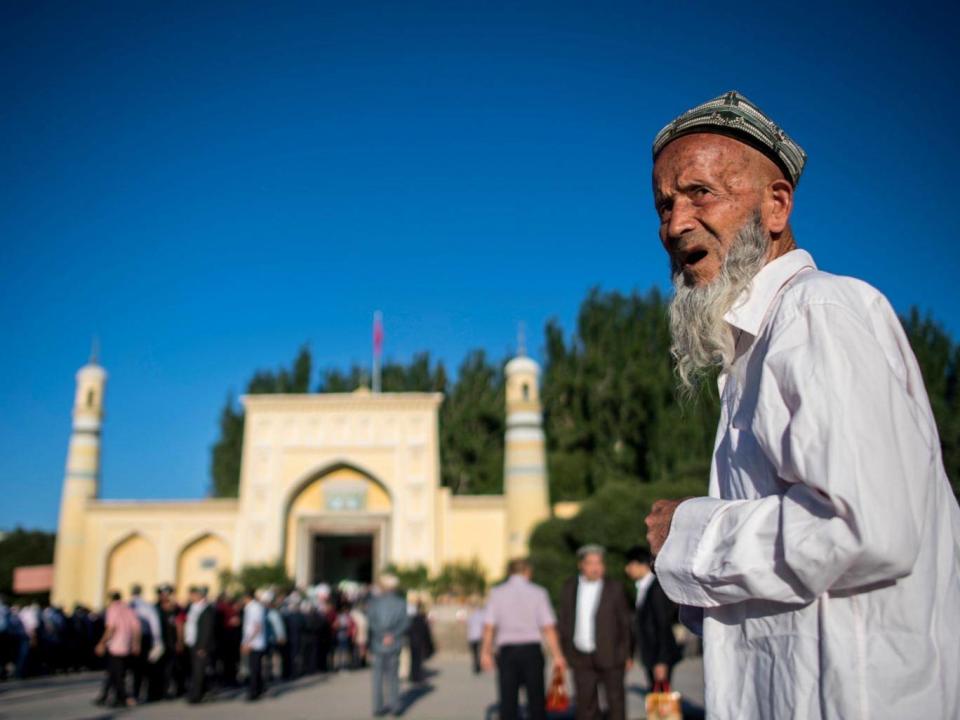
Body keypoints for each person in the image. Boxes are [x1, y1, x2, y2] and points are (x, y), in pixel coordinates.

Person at [642, 90, 960, 719]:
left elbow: (861, 526)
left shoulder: (819, 313)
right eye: (664, 205)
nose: (675, 225)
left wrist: (690, 533)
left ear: (776, 203)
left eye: (700, 193)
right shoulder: (752, 358)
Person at [481, 558, 566, 720]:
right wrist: (557, 655)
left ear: (509, 573)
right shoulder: (539, 592)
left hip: (507, 652)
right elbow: (548, 627)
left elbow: (489, 626)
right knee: (536, 700)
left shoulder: (497, 593)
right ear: (528, 572)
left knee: (507, 700)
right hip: (531, 651)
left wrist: (485, 652)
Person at [557, 545, 631, 720]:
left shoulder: (615, 588)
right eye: (590, 563)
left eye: (599, 563)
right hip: (580, 655)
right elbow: (564, 620)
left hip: (611, 655)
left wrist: (626, 654)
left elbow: (625, 624)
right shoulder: (569, 587)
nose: (595, 567)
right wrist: (564, 651)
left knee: (615, 703)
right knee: (585, 705)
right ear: (581, 565)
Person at [623, 546, 681, 689]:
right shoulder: (644, 586)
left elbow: (663, 624)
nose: (627, 569)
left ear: (641, 565)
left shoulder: (656, 588)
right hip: (651, 654)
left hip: (659, 655)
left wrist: (662, 661)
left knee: (661, 700)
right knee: (657, 696)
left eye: (630, 564)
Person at [367, 574, 410, 717]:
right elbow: (405, 623)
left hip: (378, 644)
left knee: (377, 677)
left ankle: (378, 708)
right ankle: (395, 706)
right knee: (393, 677)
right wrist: (393, 635)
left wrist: (382, 635)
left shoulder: (374, 602)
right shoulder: (401, 602)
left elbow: (371, 622)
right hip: (394, 644)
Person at [94, 591, 141, 707]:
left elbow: (111, 628)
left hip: (115, 646)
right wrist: (136, 644)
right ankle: (104, 696)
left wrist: (101, 643)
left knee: (117, 674)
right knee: (113, 672)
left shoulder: (112, 609)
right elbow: (136, 628)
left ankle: (124, 698)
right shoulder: (129, 609)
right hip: (126, 645)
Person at [129, 583, 164, 703]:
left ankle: (132, 694)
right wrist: (157, 641)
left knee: (133, 670)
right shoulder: (147, 606)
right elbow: (155, 625)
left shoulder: (128, 606)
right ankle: (144, 693)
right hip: (144, 639)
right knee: (143, 669)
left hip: (129, 640)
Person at [184, 586, 216, 704]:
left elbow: (206, 630)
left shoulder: (206, 609)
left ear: (199, 595)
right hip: (192, 642)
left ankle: (196, 696)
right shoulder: (193, 607)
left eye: (193, 595)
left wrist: (202, 646)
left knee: (199, 670)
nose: (191, 597)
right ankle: (201, 692)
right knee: (196, 670)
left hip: (200, 645)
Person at [241, 587, 267, 701]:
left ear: (247, 597)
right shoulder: (251, 607)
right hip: (254, 641)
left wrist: (247, 642)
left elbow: (257, 626)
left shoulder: (254, 608)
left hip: (255, 642)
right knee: (256, 667)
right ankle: (260, 688)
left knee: (254, 668)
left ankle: (254, 693)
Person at [407, 601, 434, 684]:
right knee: (417, 661)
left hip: (413, 641)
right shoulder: (420, 619)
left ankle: (413, 675)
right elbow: (425, 632)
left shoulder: (412, 619)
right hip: (418, 642)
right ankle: (416, 676)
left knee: (414, 660)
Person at [466, 600, 485, 675]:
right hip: (479, 637)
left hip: (472, 637)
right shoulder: (482, 615)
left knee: (474, 653)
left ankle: (476, 666)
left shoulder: (471, 616)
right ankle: (478, 666)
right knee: (479, 652)